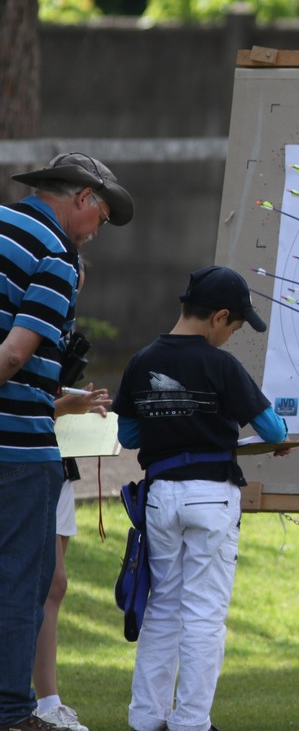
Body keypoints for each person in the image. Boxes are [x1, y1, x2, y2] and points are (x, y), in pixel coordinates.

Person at [114, 265, 290, 731]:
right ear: (220, 316)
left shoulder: (141, 360)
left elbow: (129, 435)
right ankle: (191, 722)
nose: (232, 335)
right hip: (210, 496)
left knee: (163, 607)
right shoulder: (221, 364)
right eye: (235, 326)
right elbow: (273, 429)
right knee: (204, 613)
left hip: (159, 498)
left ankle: (147, 718)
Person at [0, 152, 133, 731]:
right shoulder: (55, 256)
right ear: (80, 198)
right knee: (21, 583)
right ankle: (11, 712)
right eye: (100, 218)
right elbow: (12, 356)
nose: (95, 233)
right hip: (21, 456)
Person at [32, 386, 112, 731]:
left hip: (58, 463)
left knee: (54, 584)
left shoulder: (52, 336)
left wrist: (76, 404)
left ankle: (47, 702)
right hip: (23, 466)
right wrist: (61, 407)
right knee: (29, 583)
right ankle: (27, 702)